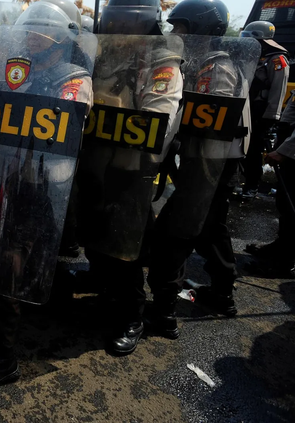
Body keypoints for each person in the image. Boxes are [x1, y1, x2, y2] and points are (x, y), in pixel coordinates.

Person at [0, 0, 95, 393]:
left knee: (10, 269)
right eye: (30, 32)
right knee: (11, 260)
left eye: (40, 34)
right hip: (11, 179)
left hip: (40, 188)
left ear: (59, 40)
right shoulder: (27, 73)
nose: (31, 39)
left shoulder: (73, 79)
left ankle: (4, 361)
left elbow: (58, 131)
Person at [74, 0, 183, 355]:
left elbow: (159, 118)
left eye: (127, 25)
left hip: (130, 165)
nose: (120, 32)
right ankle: (99, 283)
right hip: (94, 158)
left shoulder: (160, 62)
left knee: (125, 246)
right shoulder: (102, 53)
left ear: (146, 25)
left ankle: (131, 316)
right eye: (115, 24)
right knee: (92, 229)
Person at [145, 0, 256, 339]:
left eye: (181, 28)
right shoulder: (198, 63)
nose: (174, 33)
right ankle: (222, 292)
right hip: (202, 160)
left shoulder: (216, 68)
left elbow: (211, 129)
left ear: (202, 32)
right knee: (209, 228)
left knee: (177, 232)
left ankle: (164, 314)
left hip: (212, 162)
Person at [245, 31, 295, 279]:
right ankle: (281, 247)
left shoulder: (277, 61)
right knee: (286, 201)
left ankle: (285, 262)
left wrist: (283, 152)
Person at [240, 21, 289, 199]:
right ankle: (240, 181)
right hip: (245, 108)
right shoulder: (253, 56)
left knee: (253, 150)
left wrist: (270, 117)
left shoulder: (277, 60)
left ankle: (251, 187)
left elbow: (278, 90)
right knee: (240, 148)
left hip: (260, 113)